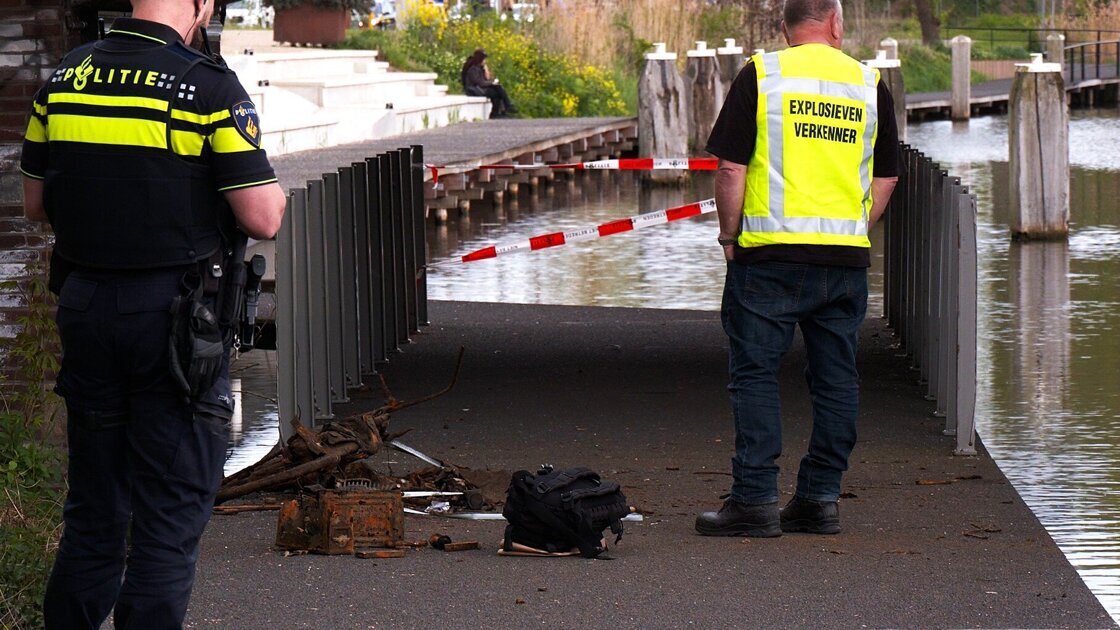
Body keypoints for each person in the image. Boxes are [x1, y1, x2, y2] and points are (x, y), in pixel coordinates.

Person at [20, 0, 286, 626]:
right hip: (175, 327)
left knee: (93, 515)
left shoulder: (64, 78)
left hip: (85, 310)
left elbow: (34, 204)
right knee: (167, 521)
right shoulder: (205, 86)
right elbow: (264, 216)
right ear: (202, 6)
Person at [694, 0, 899, 538]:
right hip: (843, 260)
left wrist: (729, 234)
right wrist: (854, 228)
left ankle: (755, 501)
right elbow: (887, 179)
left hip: (768, 257)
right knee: (837, 380)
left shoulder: (762, 74)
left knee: (756, 375)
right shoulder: (868, 83)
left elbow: (731, 167)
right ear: (835, 24)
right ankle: (819, 499)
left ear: (784, 28)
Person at [461, 48, 516, 118]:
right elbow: (480, 83)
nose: (485, 61)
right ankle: (505, 108)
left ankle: (499, 112)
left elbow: (487, 78)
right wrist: (491, 83)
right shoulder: (473, 69)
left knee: (497, 90)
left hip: (480, 89)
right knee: (497, 89)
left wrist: (486, 70)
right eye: (484, 59)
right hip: (474, 90)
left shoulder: (480, 68)